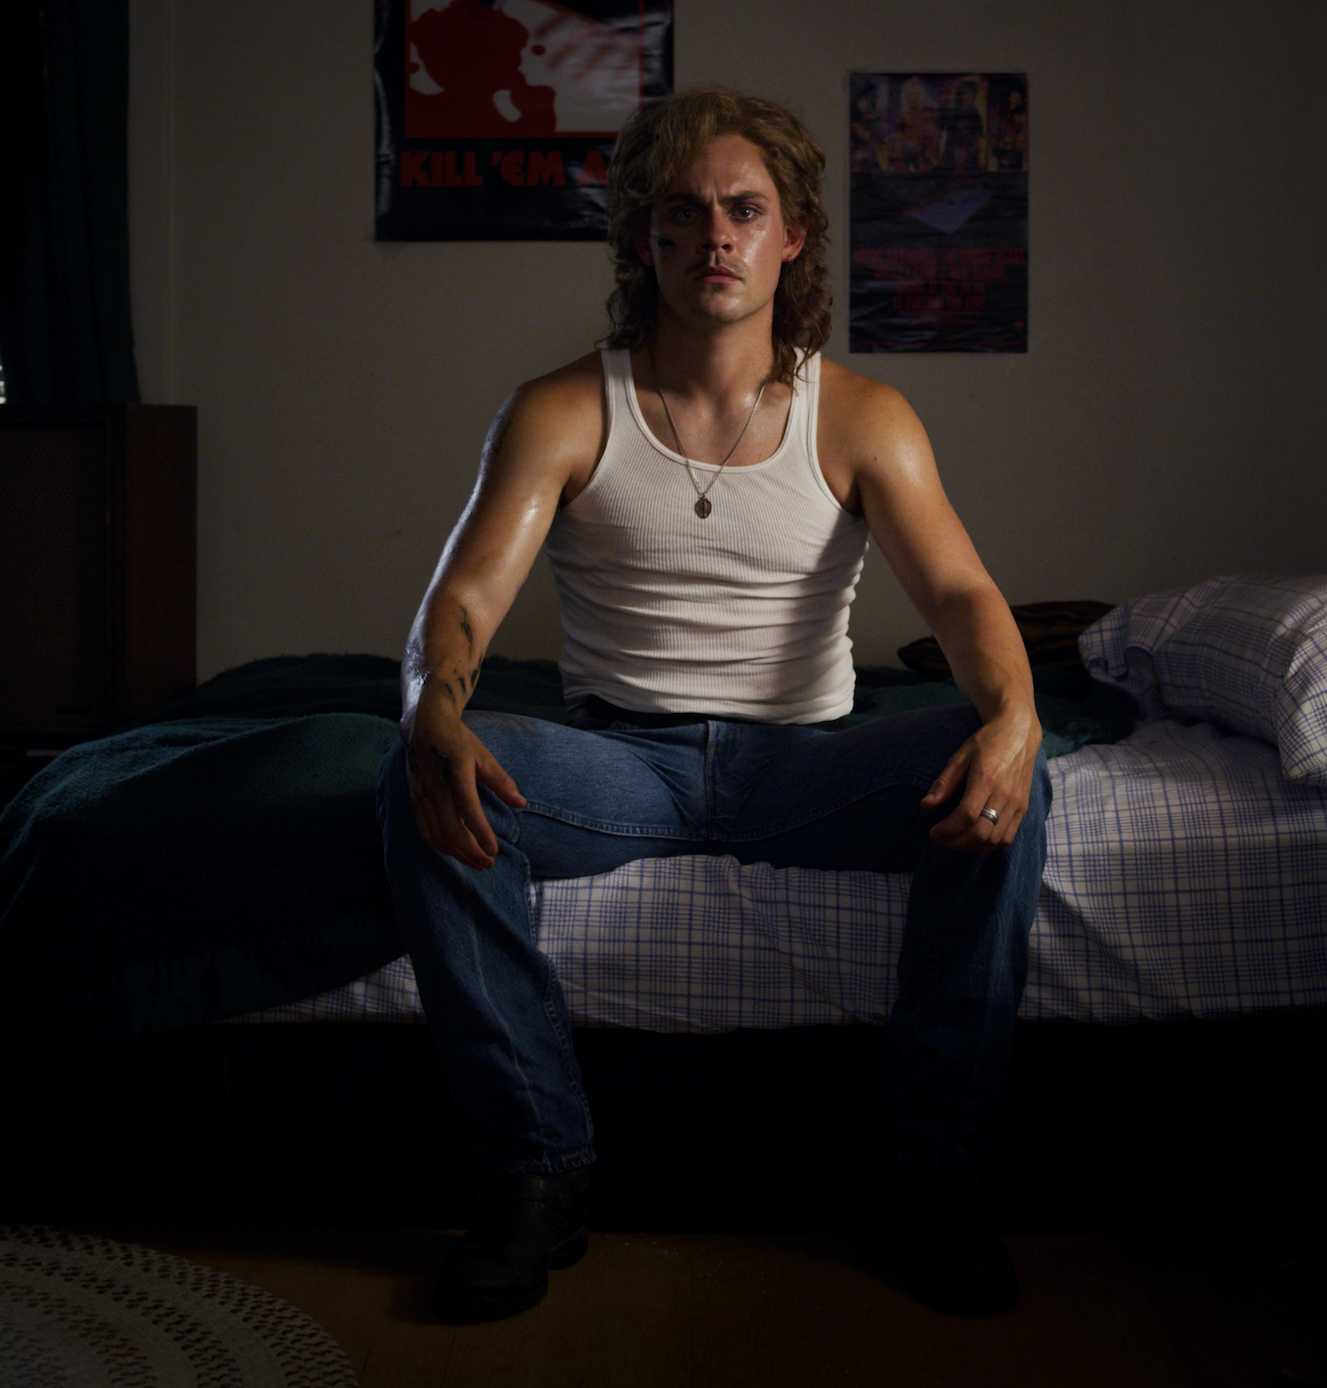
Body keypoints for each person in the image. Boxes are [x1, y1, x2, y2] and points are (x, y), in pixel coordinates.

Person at [379, 85, 1046, 1324]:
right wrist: (432, 707)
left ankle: (928, 1176)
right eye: (682, 213)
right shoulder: (562, 407)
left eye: (744, 210)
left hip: (806, 769)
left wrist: (1013, 715)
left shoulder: (863, 416)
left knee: (1007, 757)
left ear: (793, 236)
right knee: (422, 770)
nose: (714, 237)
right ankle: (534, 1175)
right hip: (618, 768)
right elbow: (462, 600)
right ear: (645, 237)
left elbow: (959, 594)